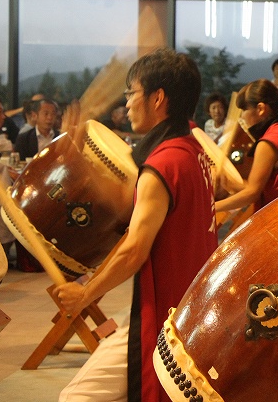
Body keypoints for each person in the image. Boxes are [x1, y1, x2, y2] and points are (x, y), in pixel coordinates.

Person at [54, 48, 218, 402]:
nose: (126, 103)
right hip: (192, 308)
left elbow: (134, 250)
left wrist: (85, 293)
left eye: (132, 93)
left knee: (75, 397)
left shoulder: (164, 163)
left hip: (166, 320)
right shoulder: (190, 150)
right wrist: (75, 159)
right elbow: (126, 200)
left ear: (158, 98)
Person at [215, 79, 278, 213]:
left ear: (261, 108)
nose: (242, 117)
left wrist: (211, 208)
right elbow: (262, 187)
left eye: (244, 110)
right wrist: (233, 184)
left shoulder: (269, 142)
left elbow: (253, 193)